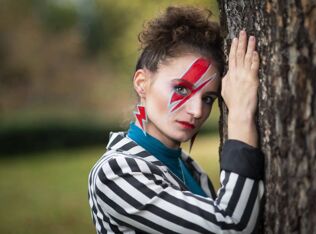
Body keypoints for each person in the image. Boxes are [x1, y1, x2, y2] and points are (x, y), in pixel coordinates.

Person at [88, 6, 264, 234]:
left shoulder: (190, 168)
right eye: (181, 89)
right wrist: (240, 113)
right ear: (142, 83)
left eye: (208, 98)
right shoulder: (114, 172)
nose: (197, 110)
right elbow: (230, 226)